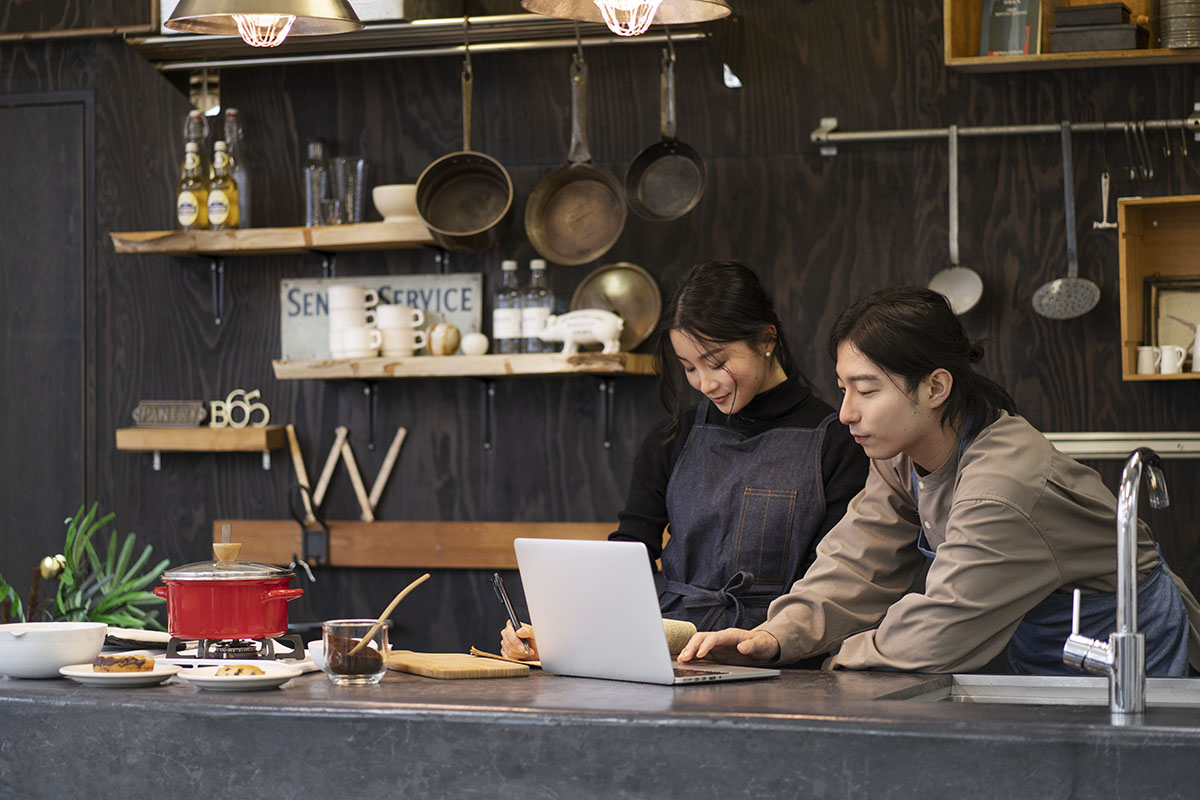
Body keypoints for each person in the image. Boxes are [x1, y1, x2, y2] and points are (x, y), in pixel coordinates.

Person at [679, 286, 1200, 675]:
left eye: (865, 390)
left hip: (1138, 657)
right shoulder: (899, 452)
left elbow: (939, 630)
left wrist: (828, 663)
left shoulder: (1003, 486)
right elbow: (857, 561)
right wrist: (773, 637)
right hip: (1046, 652)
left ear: (935, 387)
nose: (845, 414)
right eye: (842, 389)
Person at [500, 260, 868, 659]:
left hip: (778, 652)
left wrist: (771, 640)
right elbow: (629, 556)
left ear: (766, 339)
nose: (705, 383)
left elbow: (828, 584)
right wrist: (561, 635)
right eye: (689, 367)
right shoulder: (674, 435)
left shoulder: (838, 441)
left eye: (717, 362)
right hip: (671, 649)